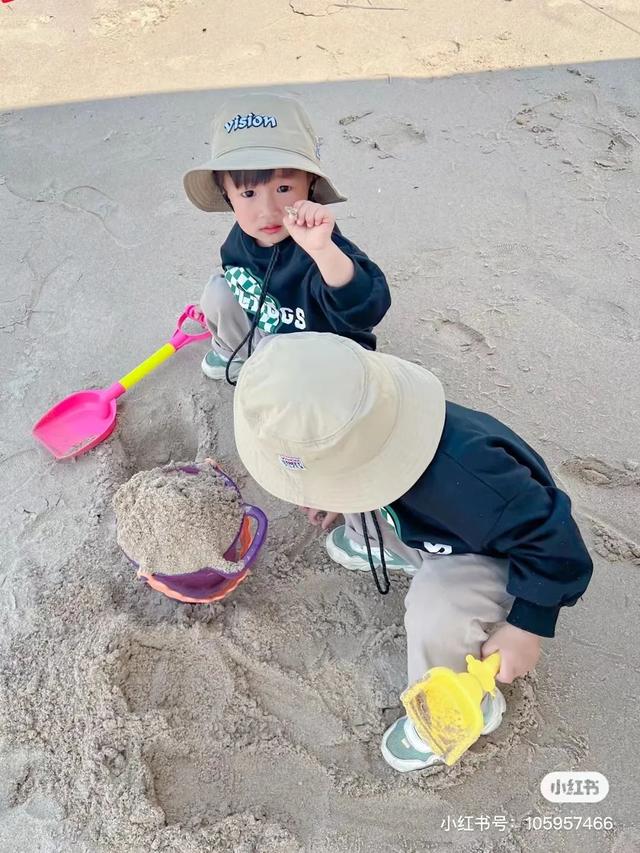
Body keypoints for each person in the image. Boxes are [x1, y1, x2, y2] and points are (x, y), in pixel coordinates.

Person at [232, 332, 593, 772]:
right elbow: (344, 458)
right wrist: (325, 488)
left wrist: (528, 625)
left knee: (436, 608)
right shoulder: (369, 422)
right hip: (428, 523)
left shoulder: (476, 482)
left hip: (494, 552)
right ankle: (383, 541)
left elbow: (557, 543)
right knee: (356, 496)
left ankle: (462, 703)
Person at [183, 92, 391, 384]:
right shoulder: (237, 242)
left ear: (310, 184)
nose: (268, 211)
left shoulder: (318, 242)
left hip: (326, 353)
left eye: (283, 189)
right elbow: (243, 288)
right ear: (226, 195)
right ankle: (234, 351)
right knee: (218, 293)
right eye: (248, 193)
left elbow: (366, 308)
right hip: (272, 328)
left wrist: (323, 251)